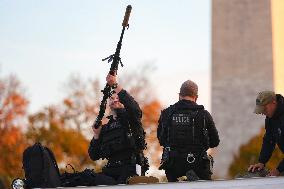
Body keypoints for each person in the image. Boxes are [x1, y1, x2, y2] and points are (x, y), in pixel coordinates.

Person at [88, 73, 147, 184]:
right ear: (108, 103)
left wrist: (115, 85)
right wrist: (96, 135)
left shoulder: (132, 120)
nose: (115, 100)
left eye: (118, 98)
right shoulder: (105, 128)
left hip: (131, 169)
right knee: (88, 179)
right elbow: (93, 155)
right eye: (112, 98)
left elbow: (133, 107)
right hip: (110, 170)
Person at [157, 80, 220, 182]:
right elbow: (215, 142)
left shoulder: (166, 113)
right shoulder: (204, 115)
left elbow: (161, 140)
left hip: (173, 165)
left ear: (179, 95)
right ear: (196, 97)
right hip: (198, 164)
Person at [248, 91, 284, 176]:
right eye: (261, 111)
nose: (263, 112)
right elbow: (269, 140)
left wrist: (279, 170)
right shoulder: (270, 118)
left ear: (273, 102)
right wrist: (261, 162)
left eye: (264, 109)